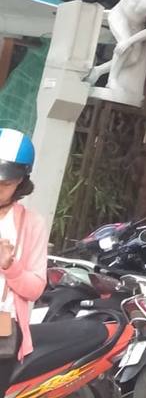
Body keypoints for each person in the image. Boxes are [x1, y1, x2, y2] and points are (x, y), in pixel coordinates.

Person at [0, 128, 47, 396]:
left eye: (5, 183)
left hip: (2, 329)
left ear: (21, 181)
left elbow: (35, 289)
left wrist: (10, 266)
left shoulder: (32, 223)